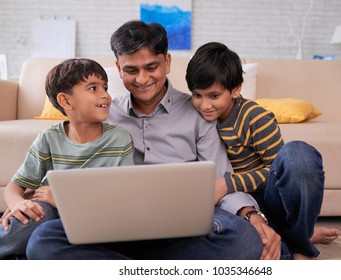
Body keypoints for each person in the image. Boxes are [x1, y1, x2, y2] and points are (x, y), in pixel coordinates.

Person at [25, 21, 266, 260]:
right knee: (43, 239)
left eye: (151, 67)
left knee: (243, 237)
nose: (142, 79)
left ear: (167, 62)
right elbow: (70, 150)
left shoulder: (199, 114)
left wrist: (249, 214)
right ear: (118, 68)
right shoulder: (104, 113)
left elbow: (221, 183)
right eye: (131, 70)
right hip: (115, 223)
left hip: (183, 225)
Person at [185, 42, 341, 259]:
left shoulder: (255, 117)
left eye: (214, 96)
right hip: (237, 207)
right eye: (197, 95)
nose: (204, 105)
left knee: (298, 155)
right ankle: (299, 235)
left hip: (268, 199)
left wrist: (229, 183)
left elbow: (278, 171)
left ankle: (301, 246)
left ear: (236, 89)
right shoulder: (196, 119)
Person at [0, 58, 134, 259]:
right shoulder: (49, 138)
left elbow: (120, 200)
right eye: (93, 88)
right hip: (51, 215)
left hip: (96, 216)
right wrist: (18, 203)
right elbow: (14, 188)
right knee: (31, 216)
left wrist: (62, 200)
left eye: (104, 87)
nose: (105, 94)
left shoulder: (119, 138)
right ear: (66, 101)